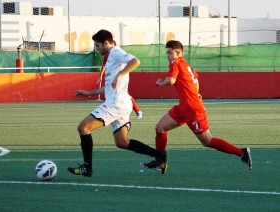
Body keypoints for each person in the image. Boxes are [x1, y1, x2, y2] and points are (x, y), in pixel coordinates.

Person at [141, 40, 252, 172]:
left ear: (178, 52)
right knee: (160, 128)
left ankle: (242, 153)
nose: (167, 55)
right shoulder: (187, 65)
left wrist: (161, 82)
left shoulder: (175, 63)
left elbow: (171, 80)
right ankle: (161, 161)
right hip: (183, 107)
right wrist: (196, 92)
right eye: (166, 53)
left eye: (169, 52)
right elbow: (196, 80)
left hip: (193, 110)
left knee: (207, 141)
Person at [68, 29, 167, 177]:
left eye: (97, 45)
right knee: (122, 142)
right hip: (121, 103)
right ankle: (160, 157)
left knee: (83, 128)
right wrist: (89, 93)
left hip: (116, 104)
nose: (97, 49)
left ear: (106, 43)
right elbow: (109, 85)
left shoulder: (115, 52)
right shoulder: (111, 57)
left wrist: (120, 75)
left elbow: (136, 61)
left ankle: (87, 167)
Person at [96, 42, 143, 119]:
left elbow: (134, 61)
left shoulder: (117, 53)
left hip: (119, 79)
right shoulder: (107, 55)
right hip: (112, 80)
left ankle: (137, 111)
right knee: (122, 95)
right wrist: (100, 75)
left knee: (124, 95)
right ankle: (137, 111)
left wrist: (119, 75)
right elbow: (104, 65)